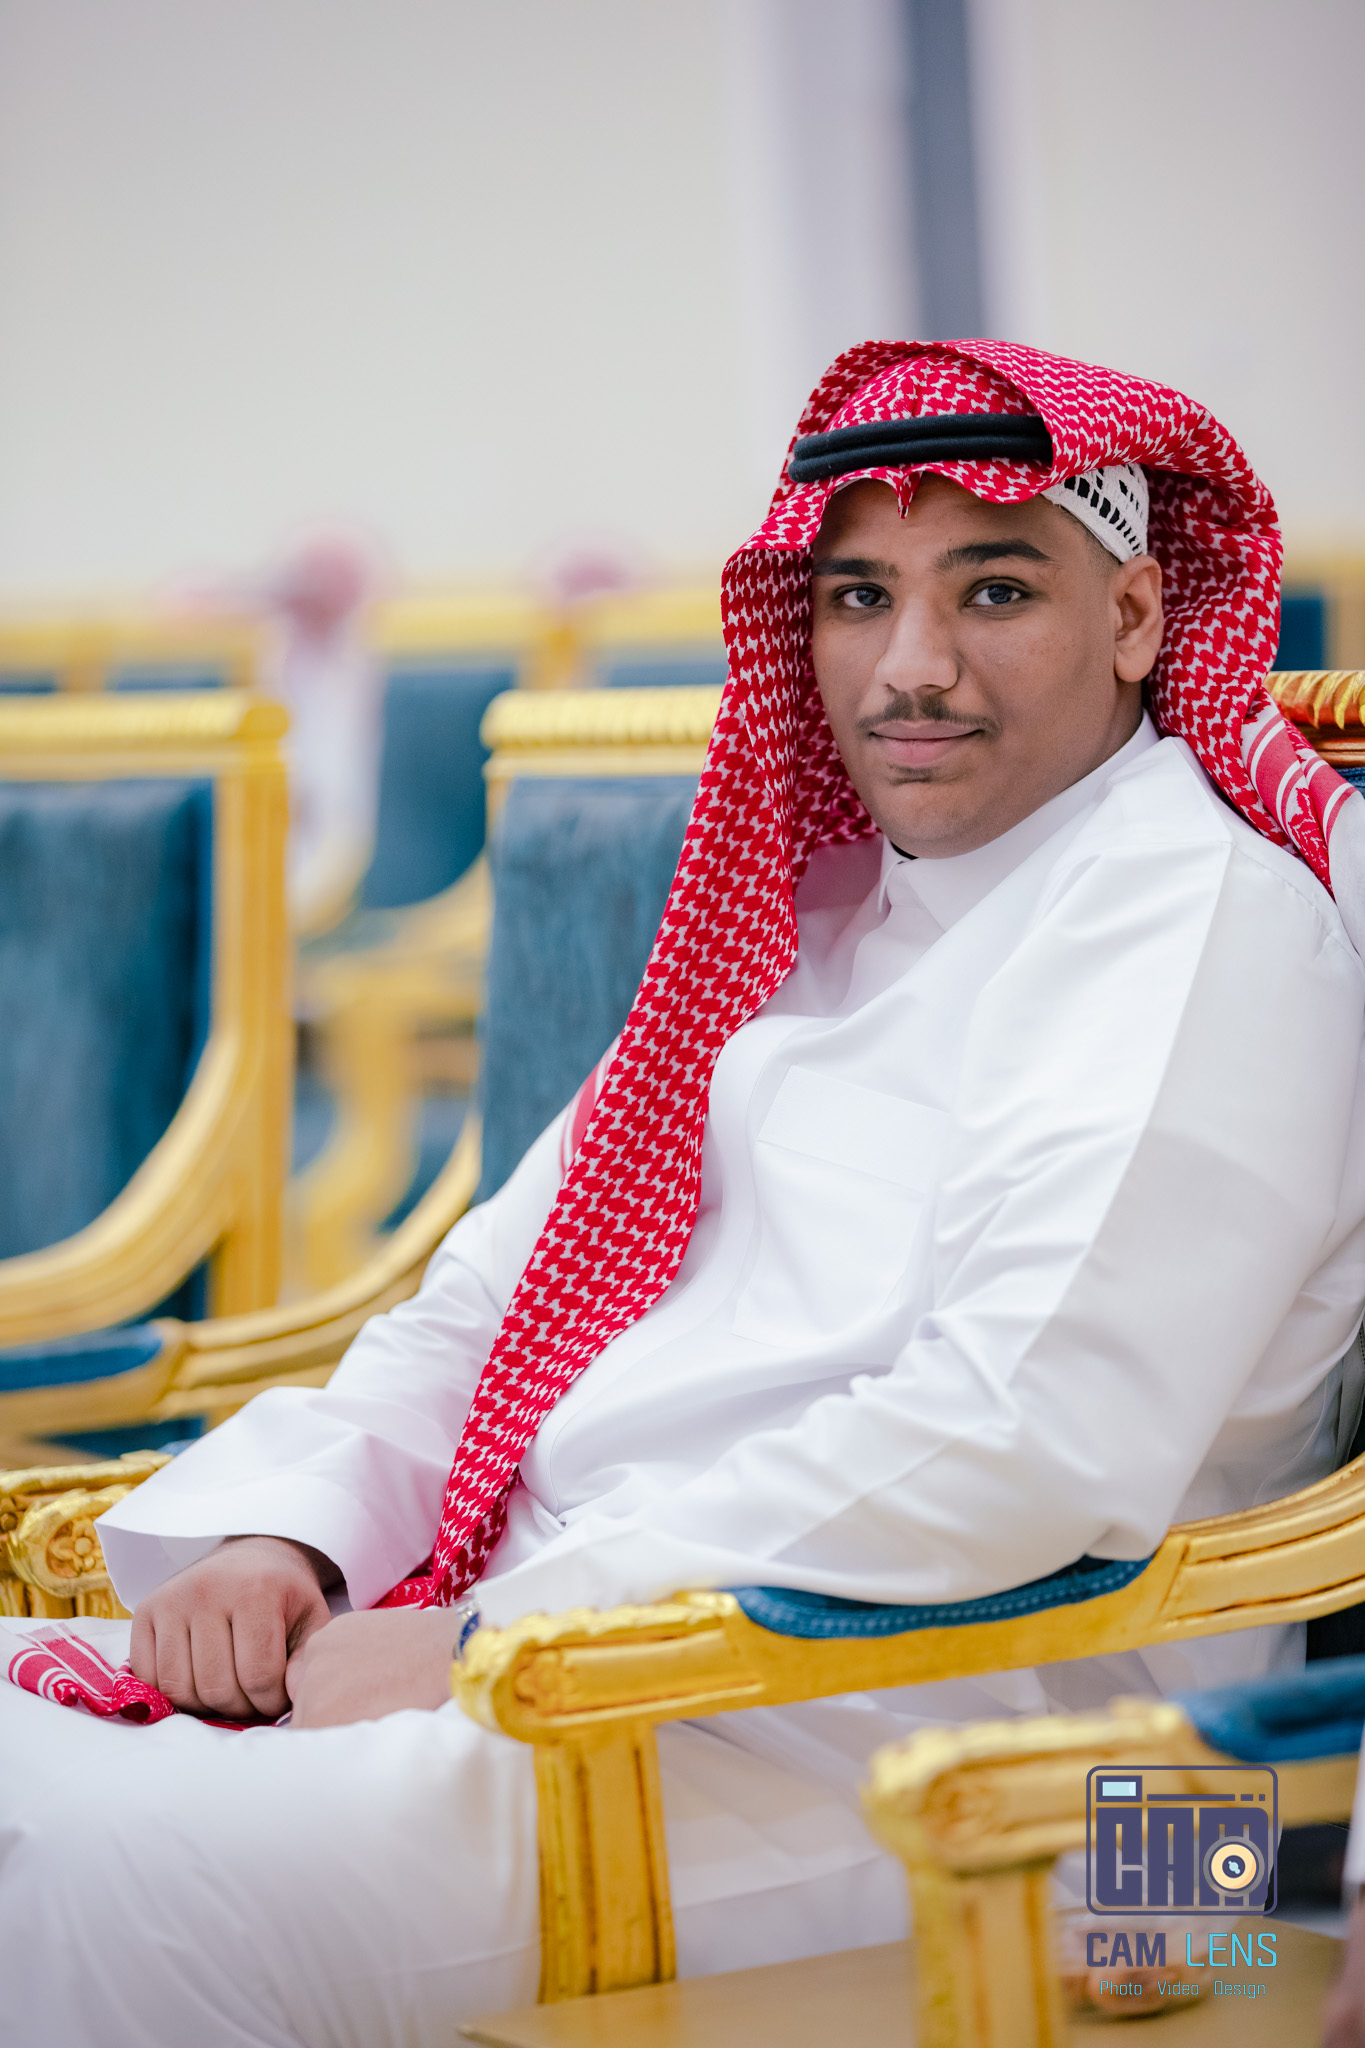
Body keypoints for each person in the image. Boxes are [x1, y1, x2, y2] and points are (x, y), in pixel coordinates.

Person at [4, 339, 1365, 2048]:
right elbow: (494, 1298)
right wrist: (293, 1529)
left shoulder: (1198, 925)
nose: (911, 666)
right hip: (579, 1669)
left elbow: (1018, 1439)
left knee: (83, 1860)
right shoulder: (809, 911)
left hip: (961, 1762)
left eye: (995, 589)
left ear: (1138, 618)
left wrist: (493, 1635)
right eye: (858, 597)